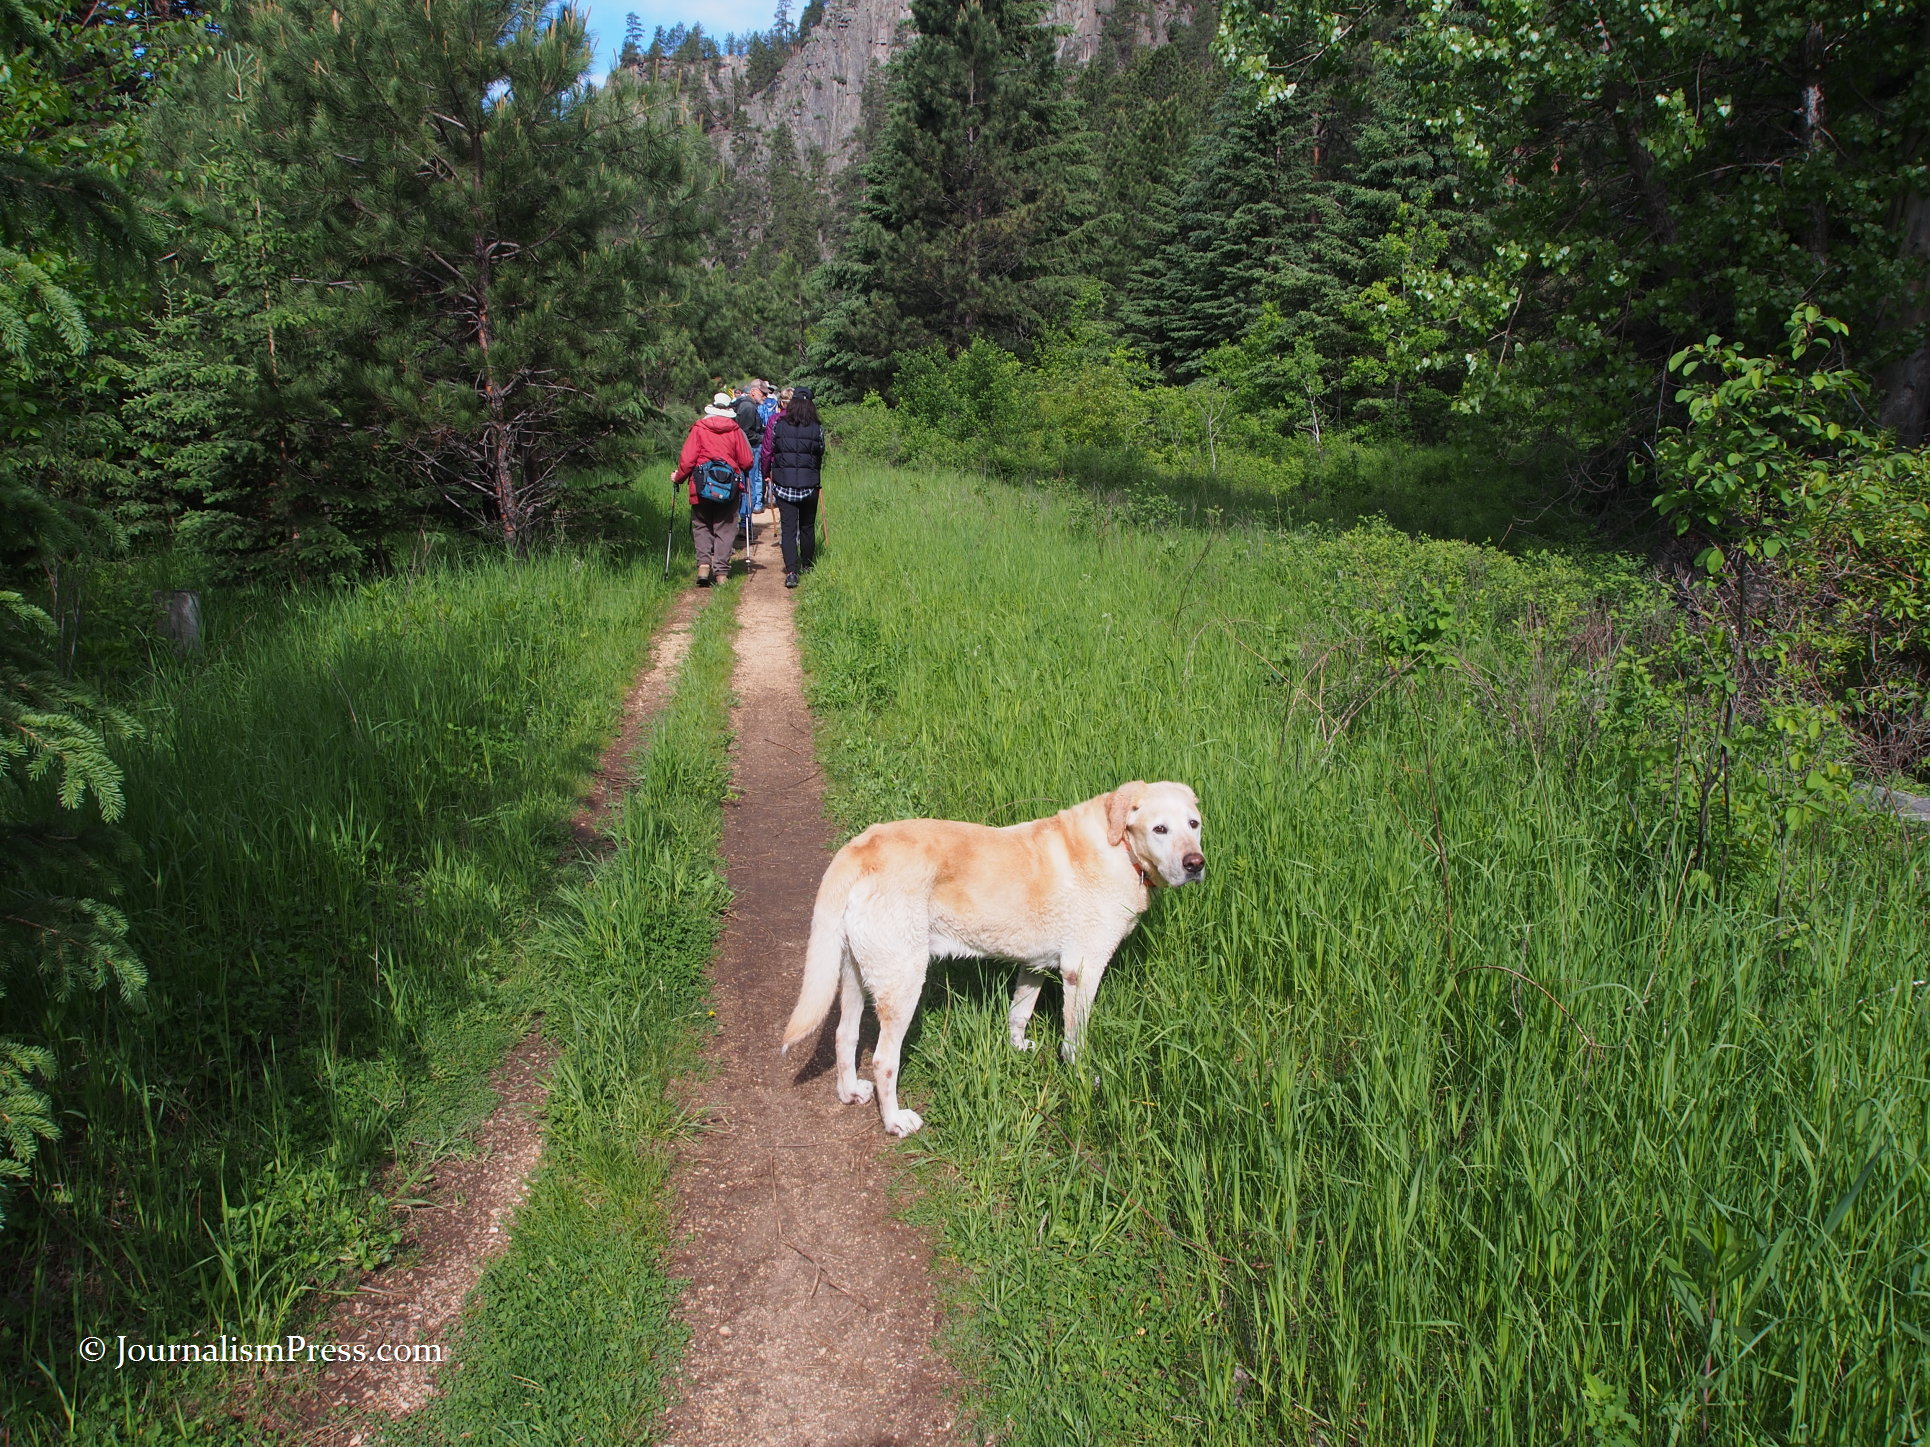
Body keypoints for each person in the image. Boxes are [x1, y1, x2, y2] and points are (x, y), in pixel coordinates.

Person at [672, 392, 752, 586]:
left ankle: (703, 567)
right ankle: (721, 574)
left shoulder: (699, 428)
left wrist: (679, 477)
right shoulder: (735, 430)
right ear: (729, 409)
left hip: (701, 486)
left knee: (701, 526)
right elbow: (747, 461)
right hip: (728, 488)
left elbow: (688, 459)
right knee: (725, 528)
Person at [756, 385, 826, 589]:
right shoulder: (816, 428)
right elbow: (820, 452)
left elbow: (769, 451)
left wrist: (766, 473)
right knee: (807, 527)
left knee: (788, 529)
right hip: (809, 484)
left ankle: (792, 572)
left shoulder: (779, 425)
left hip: (785, 484)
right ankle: (807, 565)